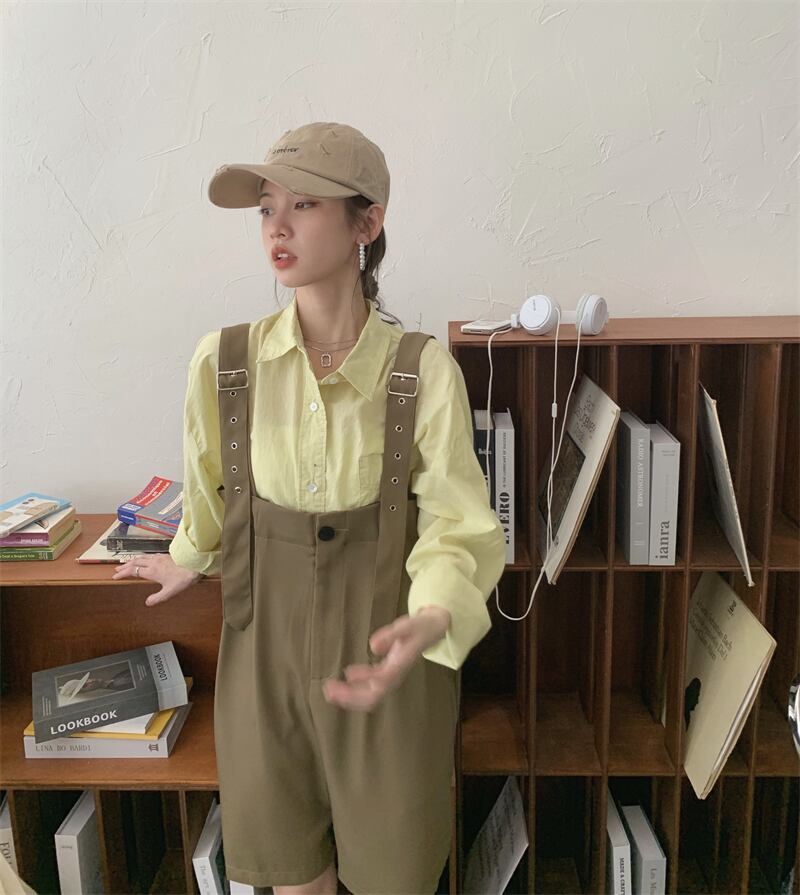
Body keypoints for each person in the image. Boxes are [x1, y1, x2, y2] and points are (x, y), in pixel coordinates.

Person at [112, 122, 506, 895]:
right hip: (263, 658)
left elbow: (456, 523)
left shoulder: (422, 372)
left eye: (304, 204)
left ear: (367, 222)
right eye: (267, 208)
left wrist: (433, 615)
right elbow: (212, 487)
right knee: (294, 877)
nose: (277, 227)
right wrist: (188, 556)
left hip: (388, 660)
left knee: (393, 876)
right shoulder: (224, 363)